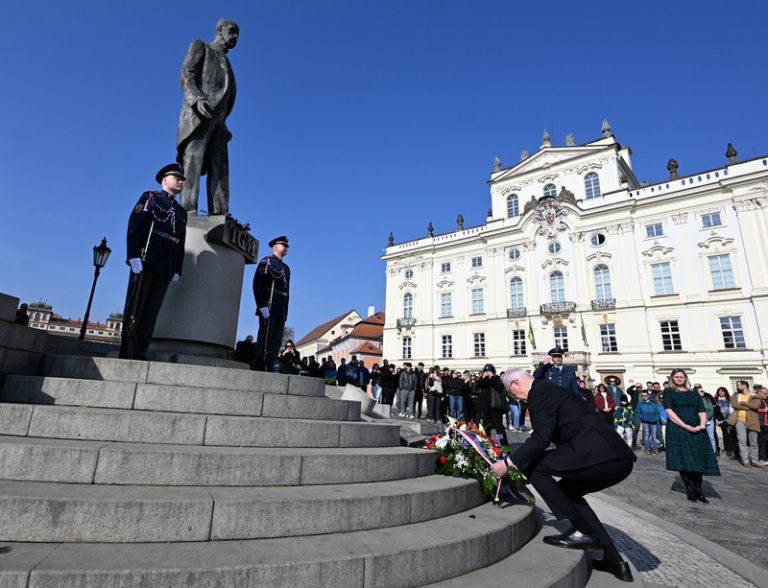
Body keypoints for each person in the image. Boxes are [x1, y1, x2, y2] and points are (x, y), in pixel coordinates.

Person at [493, 368, 635, 582]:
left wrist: (508, 464)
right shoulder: (550, 390)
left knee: (536, 469)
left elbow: (541, 439)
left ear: (514, 383)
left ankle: (582, 531)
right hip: (616, 456)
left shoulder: (539, 392)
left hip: (597, 454)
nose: (515, 399)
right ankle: (614, 560)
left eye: (511, 394)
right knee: (569, 492)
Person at [119, 164, 188, 360]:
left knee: (152, 311)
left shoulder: (181, 212)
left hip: (165, 264)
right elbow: (135, 226)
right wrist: (133, 255)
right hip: (146, 258)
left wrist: (177, 267)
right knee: (136, 308)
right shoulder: (151, 198)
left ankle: (141, 352)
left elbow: (180, 242)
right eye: (177, 177)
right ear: (165, 180)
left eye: (182, 178)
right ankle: (128, 352)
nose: (181, 181)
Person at [177, 19, 239, 215]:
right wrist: (196, 98)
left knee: (221, 170)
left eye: (237, 34)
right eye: (232, 31)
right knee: (193, 163)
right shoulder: (201, 46)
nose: (235, 37)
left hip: (219, 123)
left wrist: (223, 121)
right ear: (219, 30)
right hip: (199, 115)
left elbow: (224, 94)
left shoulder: (227, 63)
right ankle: (187, 213)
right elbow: (187, 73)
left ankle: (220, 216)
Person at [663, 369, 720, 502]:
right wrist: (685, 426)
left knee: (698, 458)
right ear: (672, 379)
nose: (679, 379)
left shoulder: (693, 394)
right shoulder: (669, 392)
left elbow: (702, 410)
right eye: (676, 377)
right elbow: (669, 410)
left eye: (681, 377)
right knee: (684, 459)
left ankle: (698, 490)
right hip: (678, 427)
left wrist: (702, 424)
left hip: (697, 427)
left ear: (685, 378)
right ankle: (690, 490)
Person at [252, 236, 290, 372]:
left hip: (281, 308)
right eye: (283, 245)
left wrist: (285, 311)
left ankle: (270, 363)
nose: (286, 248)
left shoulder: (286, 268)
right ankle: (260, 365)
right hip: (269, 305)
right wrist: (261, 305)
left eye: (287, 246)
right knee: (265, 338)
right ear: (275, 247)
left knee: (276, 340)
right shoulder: (267, 262)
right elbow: (258, 284)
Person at [728, 381, 764, 467]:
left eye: (738, 385)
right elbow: (734, 405)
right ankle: (745, 461)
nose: (736, 386)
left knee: (754, 442)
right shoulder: (735, 395)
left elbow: (756, 406)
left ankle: (755, 460)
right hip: (739, 420)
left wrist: (743, 403)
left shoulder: (754, 396)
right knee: (742, 441)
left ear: (744, 386)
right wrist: (748, 407)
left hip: (752, 421)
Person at [474, 364, 508, 445]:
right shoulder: (483, 380)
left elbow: (499, 387)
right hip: (486, 408)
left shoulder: (496, 378)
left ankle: (504, 444)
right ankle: (488, 444)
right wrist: (484, 377)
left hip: (496, 408)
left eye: (489, 371)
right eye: (486, 371)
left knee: (499, 428)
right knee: (486, 428)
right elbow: (478, 386)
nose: (487, 373)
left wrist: (492, 377)